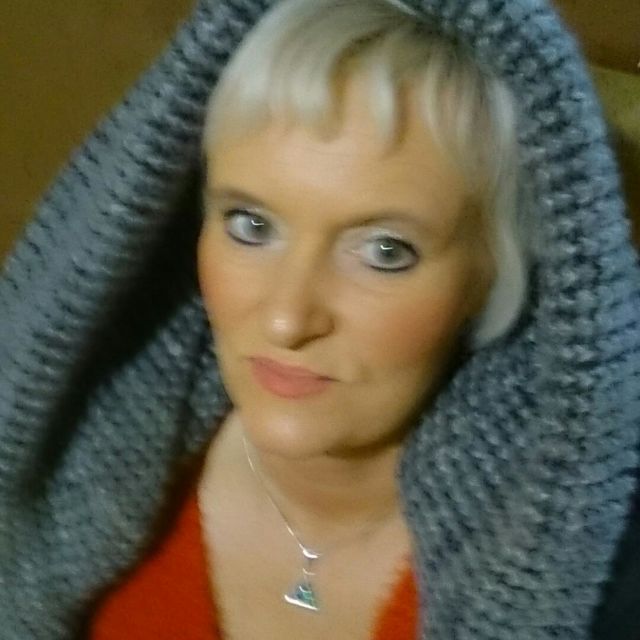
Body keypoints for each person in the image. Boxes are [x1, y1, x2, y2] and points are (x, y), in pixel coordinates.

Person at [0, 0, 639, 639]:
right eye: (251, 225)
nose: (287, 319)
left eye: (384, 251)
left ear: (493, 277)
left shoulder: (598, 574)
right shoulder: (69, 469)